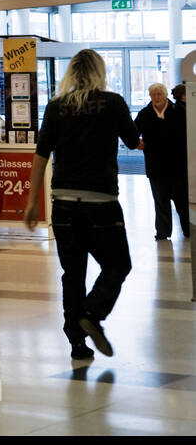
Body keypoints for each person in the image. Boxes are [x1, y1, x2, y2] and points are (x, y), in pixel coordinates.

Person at [25, 49, 140, 361]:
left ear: (71, 73)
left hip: (63, 202)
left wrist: (32, 201)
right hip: (101, 201)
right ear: (99, 72)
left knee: (73, 273)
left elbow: (41, 155)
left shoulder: (56, 106)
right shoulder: (113, 102)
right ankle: (90, 313)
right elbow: (133, 141)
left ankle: (77, 343)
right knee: (118, 264)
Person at [134, 83, 189, 240]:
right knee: (161, 202)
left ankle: (189, 230)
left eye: (159, 94)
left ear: (165, 95)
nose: (156, 98)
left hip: (178, 166)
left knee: (182, 202)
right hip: (156, 166)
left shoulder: (179, 112)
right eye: (153, 95)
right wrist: (136, 142)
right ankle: (163, 232)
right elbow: (132, 132)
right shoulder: (145, 114)